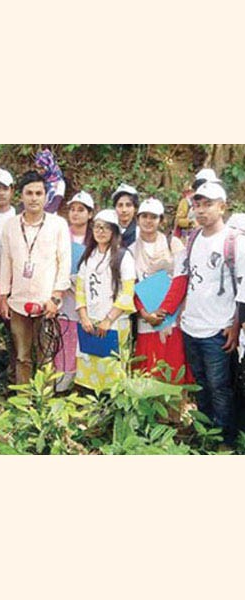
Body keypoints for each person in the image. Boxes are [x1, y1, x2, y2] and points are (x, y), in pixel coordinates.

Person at [180, 181, 245, 445]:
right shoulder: (193, 237)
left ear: (222, 207)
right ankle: (203, 432)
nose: (201, 210)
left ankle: (224, 441)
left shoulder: (234, 242)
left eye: (208, 204)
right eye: (197, 204)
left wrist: (235, 325)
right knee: (200, 385)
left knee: (220, 388)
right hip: (191, 325)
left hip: (218, 329)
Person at [0, 171, 72, 385]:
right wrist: (4, 295)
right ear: (20, 196)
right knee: (22, 357)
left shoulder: (57, 225)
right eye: (29, 193)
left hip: (46, 302)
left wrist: (56, 297)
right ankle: (23, 404)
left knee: (46, 356)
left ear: (46, 196)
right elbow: (6, 262)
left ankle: (44, 405)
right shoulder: (10, 226)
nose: (33, 198)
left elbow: (63, 263)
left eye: (38, 193)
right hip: (18, 302)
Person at [129, 198, 192, 384]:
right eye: (144, 216)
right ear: (138, 219)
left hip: (171, 316)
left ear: (161, 220)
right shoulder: (131, 250)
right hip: (146, 316)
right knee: (148, 366)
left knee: (172, 365)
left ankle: (173, 411)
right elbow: (130, 284)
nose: (148, 221)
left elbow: (181, 280)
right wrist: (145, 313)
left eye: (153, 217)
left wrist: (165, 311)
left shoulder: (173, 245)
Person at [75, 209, 136, 392]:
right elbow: (80, 289)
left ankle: (112, 415)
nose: (100, 231)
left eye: (106, 228)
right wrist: (84, 317)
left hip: (115, 323)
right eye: (97, 227)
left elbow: (127, 292)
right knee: (88, 370)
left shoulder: (123, 256)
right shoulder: (89, 256)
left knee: (113, 370)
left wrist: (108, 319)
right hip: (90, 323)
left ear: (114, 231)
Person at [54, 191, 94, 392]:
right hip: (65, 298)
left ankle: (84, 386)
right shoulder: (61, 234)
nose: (76, 214)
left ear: (90, 214)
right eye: (73, 209)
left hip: (89, 300)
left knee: (85, 342)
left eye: (81, 210)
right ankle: (62, 385)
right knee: (64, 342)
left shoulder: (95, 238)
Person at [33, 149, 66, 213]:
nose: (39, 171)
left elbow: (55, 203)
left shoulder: (59, 183)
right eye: (37, 168)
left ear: (49, 166)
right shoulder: (38, 180)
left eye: (41, 168)